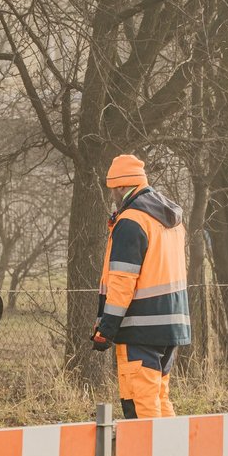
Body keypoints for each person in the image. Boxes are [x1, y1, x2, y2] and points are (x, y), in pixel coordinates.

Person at [92, 154, 191, 419]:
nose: (112, 193)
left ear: (122, 186)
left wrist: (106, 329)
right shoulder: (170, 219)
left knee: (140, 402)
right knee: (159, 396)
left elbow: (123, 282)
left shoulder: (131, 221)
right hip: (171, 324)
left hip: (140, 327)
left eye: (113, 188)